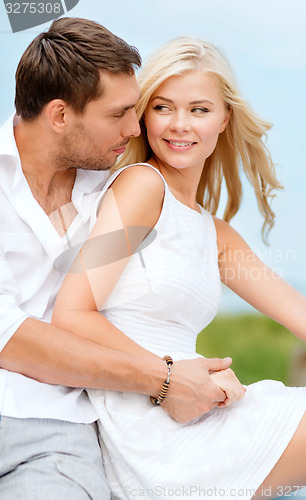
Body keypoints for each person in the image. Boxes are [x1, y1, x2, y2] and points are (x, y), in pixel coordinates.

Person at [52, 37, 306, 500]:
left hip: (196, 405)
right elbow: (73, 313)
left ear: (225, 119)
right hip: (150, 423)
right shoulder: (142, 187)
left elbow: (302, 313)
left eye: (199, 110)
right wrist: (169, 375)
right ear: (144, 115)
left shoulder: (214, 233)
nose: (179, 125)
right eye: (163, 107)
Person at [0, 21, 235, 499]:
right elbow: (9, 338)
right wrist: (166, 378)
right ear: (61, 115)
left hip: (52, 434)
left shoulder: (115, 190)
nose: (136, 128)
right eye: (120, 114)